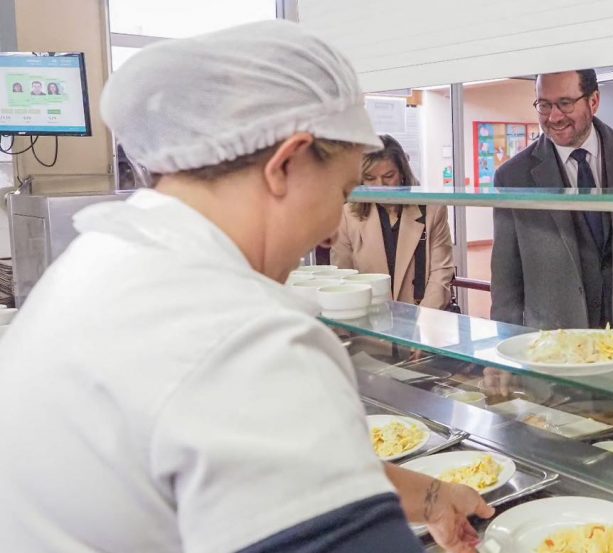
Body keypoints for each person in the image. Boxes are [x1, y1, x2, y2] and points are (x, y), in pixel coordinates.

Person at [0, 21, 491, 553]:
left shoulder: (106, 258)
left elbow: (284, 470)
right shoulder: (248, 340)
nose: (333, 229)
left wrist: (432, 497)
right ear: (285, 165)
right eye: (343, 192)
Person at [490, 69, 613, 332]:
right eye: (544, 105)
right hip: (557, 341)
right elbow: (506, 275)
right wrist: (506, 341)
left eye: (565, 103)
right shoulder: (512, 176)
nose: (554, 117)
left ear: (593, 101)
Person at [330, 134, 455, 310]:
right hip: (369, 318)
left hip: (423, 318)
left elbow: (440, 275)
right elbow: (342, 279)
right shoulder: (347, 216)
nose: (380, 186)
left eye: (388, 176)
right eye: (370, 178)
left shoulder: (432, 210)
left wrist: (421, 322)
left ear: (403, 172)